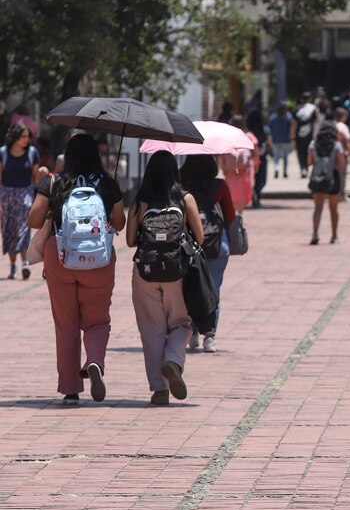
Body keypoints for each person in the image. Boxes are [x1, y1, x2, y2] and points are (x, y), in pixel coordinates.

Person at [27, 134, 125, 405]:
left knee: (66, 325)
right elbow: (119, 224)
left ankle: (71, 390)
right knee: (97, 321)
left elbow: (33, 219)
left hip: (60, 258)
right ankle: (94, 361)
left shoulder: (56, 182)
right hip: (99, 262)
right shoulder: (107, 183)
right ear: (95, 154)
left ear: (67, 155)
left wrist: (52, 211)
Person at [126, 151, 204, 406]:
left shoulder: (140, 202)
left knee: (151, 330)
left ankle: (159, 390)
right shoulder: (185, 199)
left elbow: (129, 240)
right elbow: (200, 238)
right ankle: (173, 361)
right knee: (182, 323)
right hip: (177, 272)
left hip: (145, 272)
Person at [180, 155, 235, 353]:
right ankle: (209, 336)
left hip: (188, 244)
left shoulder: (181, 184)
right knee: (213, 288)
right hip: (216, 245)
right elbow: (230, 216)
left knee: (189, 287)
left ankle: (192, 332)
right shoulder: (219, 186)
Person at [0, 121, 43, 279]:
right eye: (23, 136)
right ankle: (12, 267)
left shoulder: (32, 153)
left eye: (28, 136)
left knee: (24, 229)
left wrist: (42, 171)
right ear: (15, 137)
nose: (26, 139)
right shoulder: (3, 153)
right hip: (6, 196)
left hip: (25, 195)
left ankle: (24, 262)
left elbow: (36, 179)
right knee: (8, 231)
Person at [308, 121, 346, 245]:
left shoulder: (313, 144)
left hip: (318, 177)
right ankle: (334, 236)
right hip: (333, 178)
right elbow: (341, 165)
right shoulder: (337, 145)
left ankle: (315, 233)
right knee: (333, 209)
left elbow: (309, 162)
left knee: (318, 208)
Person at [220, 115, 258, 213]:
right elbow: (255, 154)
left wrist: (223, 167)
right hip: (245, 172)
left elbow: (222, 154)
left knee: (232, 195)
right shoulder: (249, 137)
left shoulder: (227, 137)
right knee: (241, 196)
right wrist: (256, 165)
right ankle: (239, 217)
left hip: (231, 172)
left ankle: (232, 218)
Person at [246, 109, 270, 208]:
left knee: (252, 178)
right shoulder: (265, 129)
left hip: (250, 158)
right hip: (262, 157)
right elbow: (269, 142)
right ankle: (257, 196)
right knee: (261, 179)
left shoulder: (248, 131)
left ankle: (254, 195)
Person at [294, 92, 318, 179]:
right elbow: (316, 122)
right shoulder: (313, 108)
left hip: (299, 134)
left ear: (301, 99)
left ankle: (303, 168)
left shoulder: (297, 108)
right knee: (309, 151)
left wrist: (292, 134)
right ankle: (308, 168)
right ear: (310, 99)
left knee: (300, 152)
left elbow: (293, 123)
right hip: (310, 134)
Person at [268, 102, 294, 178]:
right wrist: (292, 136)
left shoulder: (273, 117)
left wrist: (270, 139)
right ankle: (285, 171)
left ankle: (276, 168)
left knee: (276, 156)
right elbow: (292, 126)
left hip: (276, 138)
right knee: (285, 156)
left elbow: (269, 129)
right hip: (286, 138)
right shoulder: (288, 116)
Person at [334, 107, 350, 201]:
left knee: (335, 174)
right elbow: (347, 139)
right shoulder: (343, 126)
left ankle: (335, 194)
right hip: (343, 153)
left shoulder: (333, 125)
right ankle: (341, 195)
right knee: (342, 175)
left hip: (334, 153)